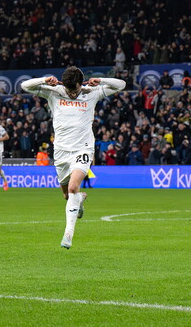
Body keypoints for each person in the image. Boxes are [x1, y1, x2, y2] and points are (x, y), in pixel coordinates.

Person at [22, 66, 125, 249]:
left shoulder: (91, 92)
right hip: (61, 150)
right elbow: (25, 85)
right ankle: (79, 200)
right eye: (69, 90)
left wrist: (101, 81)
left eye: (74, 90)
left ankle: (68, 234)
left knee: (72, 187)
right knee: (67, 195)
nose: (71, 93)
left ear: (80, 83)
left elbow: (121, 84)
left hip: (83, 148)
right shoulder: (54, 92)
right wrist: (44, 79)